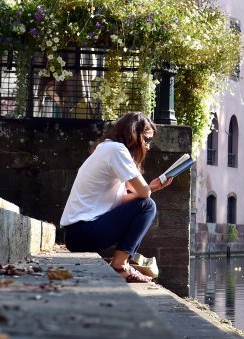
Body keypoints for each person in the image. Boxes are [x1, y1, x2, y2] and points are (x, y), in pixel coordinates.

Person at [59, 112, 173, 283]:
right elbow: (143, 196)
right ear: (134, 135)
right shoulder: (116, 150)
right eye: (147, 140)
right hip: (82, 233)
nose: (148, 147)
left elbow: (121, 202)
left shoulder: (106, 148)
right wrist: (147, 190)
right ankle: (119, 266)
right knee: (148, 206)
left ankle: (121, 262)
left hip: (76, 234)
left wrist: (151, 188)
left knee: (145, 203)